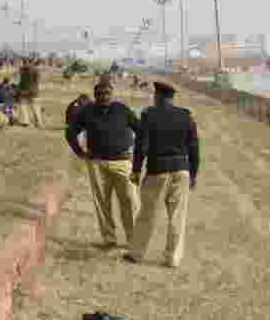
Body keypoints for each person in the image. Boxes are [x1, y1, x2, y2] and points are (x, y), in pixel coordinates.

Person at [124, 82, 200, 268]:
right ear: (172, 98)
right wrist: (193, 174)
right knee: (177, 217)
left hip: (158, 170)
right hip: (182, 169)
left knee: (148, 215)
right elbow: (194, 148)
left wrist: (136, 169)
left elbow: (142, 146)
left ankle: (136, 254)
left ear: (157, 97)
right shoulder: (186, 116)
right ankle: (173, 258)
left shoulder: (149, 115)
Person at [65, 81, 143, 248]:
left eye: (107, 93)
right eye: (100, 94)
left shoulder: (122, 109)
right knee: (102, 203)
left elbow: (140, 130)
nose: (104, 96)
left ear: (112, 94)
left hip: (123, 162)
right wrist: (80, 152)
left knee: (130, 201)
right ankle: (109, 239)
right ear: (95, 96)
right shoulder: (86, 112)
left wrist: (135, 153)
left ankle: (134, 240)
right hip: (97, 164)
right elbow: (70, 132)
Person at [14, 59, 43, 127]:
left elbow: (20, 81)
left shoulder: (22, 70)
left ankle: (26, 122)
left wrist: (17, 91)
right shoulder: (35, 70)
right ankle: (38, 122)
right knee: (35, 107)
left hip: (24, 91)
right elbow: (37, 81)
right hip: (33, 91)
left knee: (24, 106)